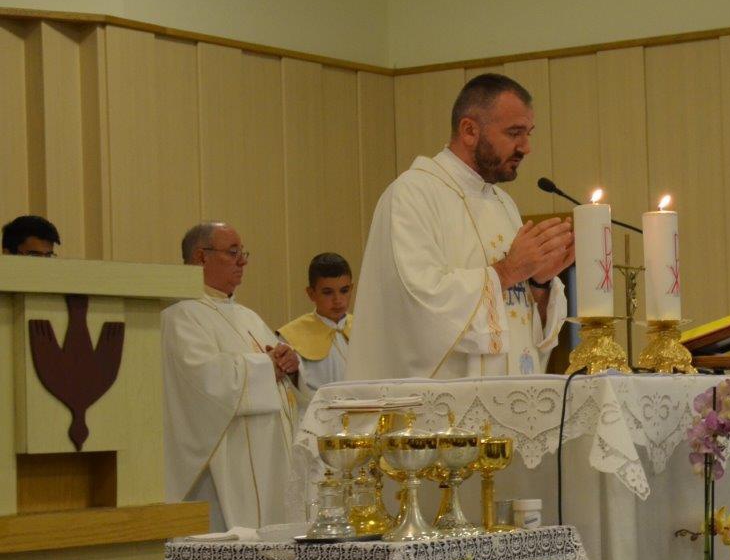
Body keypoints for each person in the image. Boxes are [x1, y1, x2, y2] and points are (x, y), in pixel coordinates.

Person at [345, 73, 574, 380]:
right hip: (439, 403)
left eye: (528, 133)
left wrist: (539, 283)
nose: (526, 147)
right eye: (514, 133)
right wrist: (507, 271)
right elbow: (418, 303)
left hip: (510, 397)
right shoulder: (413, 194)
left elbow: (517, 320)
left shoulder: (503, 204)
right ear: (469, 131)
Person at [161, 221, 303, 531]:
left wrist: (291, 365)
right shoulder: (179, 315)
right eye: (233, 252)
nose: (243, 262)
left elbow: (278, 370)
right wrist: (266, 367)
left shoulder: (247, 316)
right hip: (225, 469)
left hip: (270, 462)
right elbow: (202, 381)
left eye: (243, 253)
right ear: (201, 257)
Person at [277, 252, 354, 415]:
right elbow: (290, 393)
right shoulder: (291, 337)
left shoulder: (363, 328)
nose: (338, 300)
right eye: (327, 292)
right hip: (318, 419)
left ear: (352, 289)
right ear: (311, 293)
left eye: (344, 290)